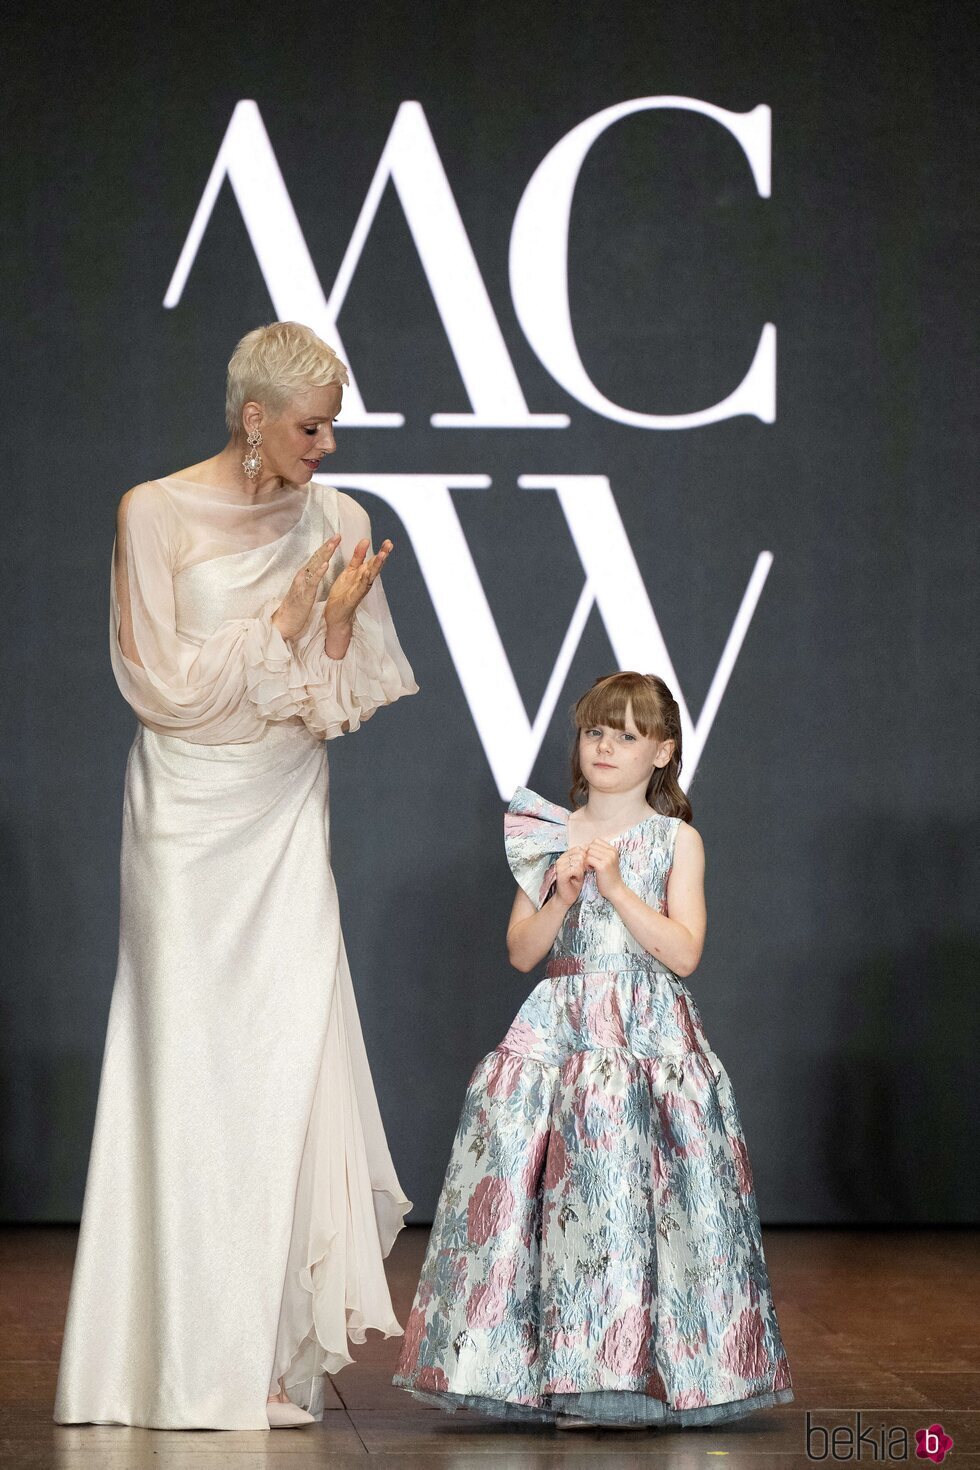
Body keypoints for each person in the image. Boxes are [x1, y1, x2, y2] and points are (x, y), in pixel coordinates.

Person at [53, 321, 418, 1431]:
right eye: (312, 428)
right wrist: (287, 618)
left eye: (334, 425)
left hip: (282, 808)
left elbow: (332, 698)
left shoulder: (339, 519)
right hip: (188, 814)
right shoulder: (152, 512)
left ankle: (265, 1357)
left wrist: (335, 629)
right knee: (190, 1069)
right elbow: (157, 683)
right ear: (250, 417)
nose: (329, 450)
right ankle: (167, 1361)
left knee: (281, 1066)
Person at [393, 671, 793, 1428]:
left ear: (663, 752)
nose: (607, 746)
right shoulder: (546, 831)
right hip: (561, 1026)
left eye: (629, 735)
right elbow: (521, 950)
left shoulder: (677, 840)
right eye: (596, 731)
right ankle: (545, 1375)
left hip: (643, 1032)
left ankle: (638, 1376)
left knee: (638, 1201)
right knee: (549, 1200)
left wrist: (617, 889)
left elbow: (683, 952)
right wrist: (563, 896)